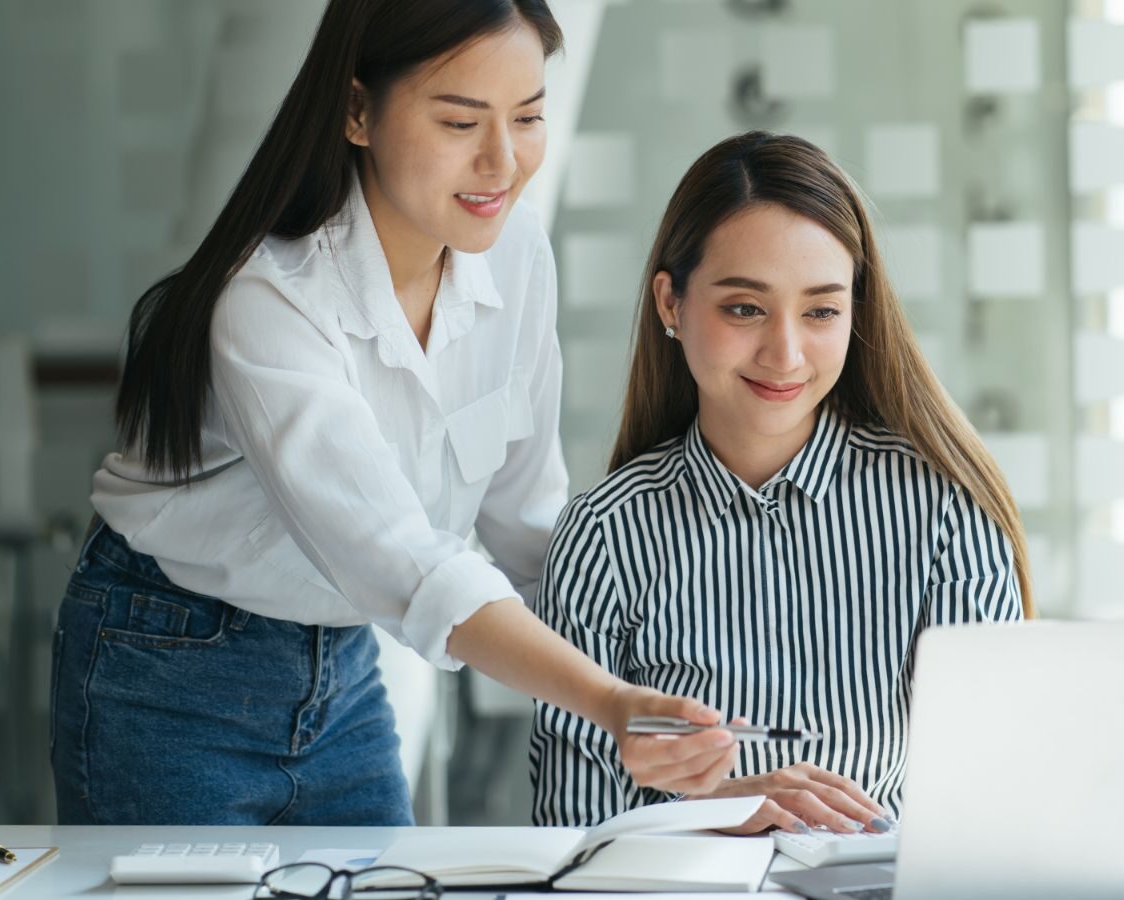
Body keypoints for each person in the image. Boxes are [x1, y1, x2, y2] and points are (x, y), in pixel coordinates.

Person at [50, 0, 736, 827]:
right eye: (459, 121)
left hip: (340, 660)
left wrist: (686, 705)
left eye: (527, 117)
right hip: (168, 664)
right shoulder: (268, 299)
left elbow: (526, 524)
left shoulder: (516, 256)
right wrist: (612, 702)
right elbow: (402, 561)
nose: (502, 161)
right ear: (356, 110)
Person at [529, 131, 1033, 834]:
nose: (786, 353)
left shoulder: (944, 510)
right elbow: (570, 825)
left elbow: (993, 791)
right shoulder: (605, 537)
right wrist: (708, 816)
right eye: (744, 308)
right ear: (671, 303)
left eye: (822, 310)